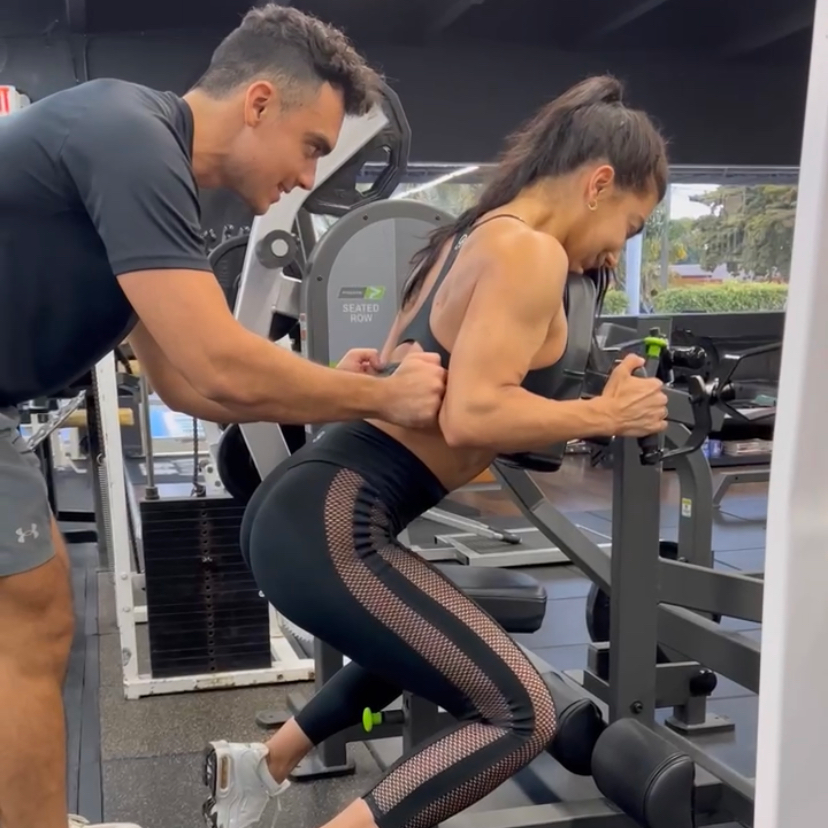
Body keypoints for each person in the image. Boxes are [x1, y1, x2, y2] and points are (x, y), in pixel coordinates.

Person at [0, 6, 446, 828]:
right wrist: (383, 397)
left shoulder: (145, 166)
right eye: (311, 146)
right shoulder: (128, 136)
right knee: (31, 618)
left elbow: (184, 385)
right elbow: (216, 364)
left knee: (32, 613)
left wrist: (326, 385)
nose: (308, 176)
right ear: (259, 103)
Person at [204, 74, 670, 828]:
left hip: (303, 507)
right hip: (332, 523)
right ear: (598, 184)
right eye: (632, 222)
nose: (620, 245)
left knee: (433, 639)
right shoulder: (531, 254)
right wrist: (607, 414)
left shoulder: (461, 239)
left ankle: (261, 766)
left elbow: (407, 382)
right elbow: (472, 415)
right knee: (520, 713)